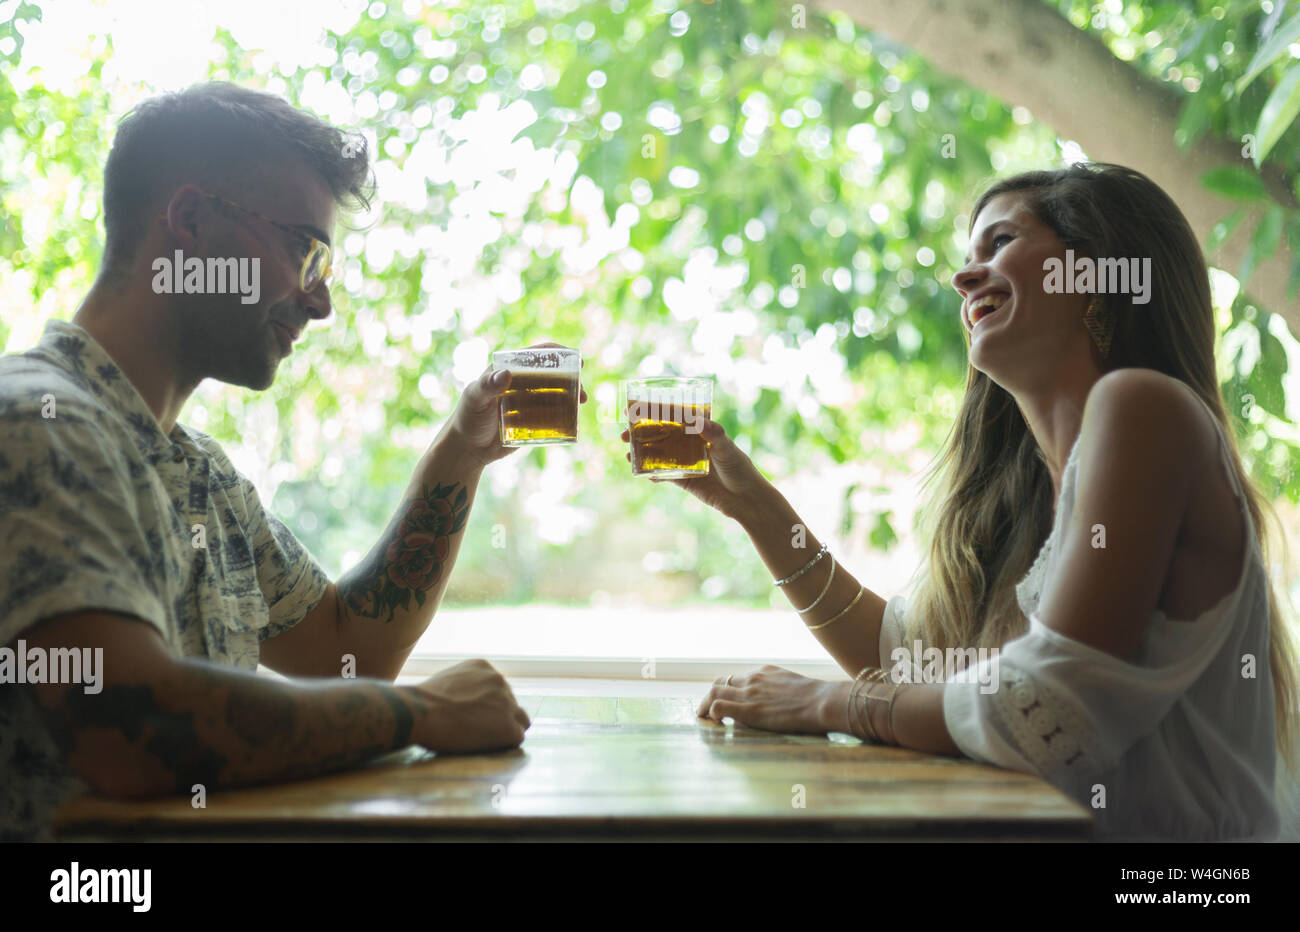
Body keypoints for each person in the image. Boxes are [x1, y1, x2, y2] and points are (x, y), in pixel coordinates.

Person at [631, 162, 1298, 841]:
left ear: (1094, 272)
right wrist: (758, 511)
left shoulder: (1144, 408)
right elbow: (908, 661)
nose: (963, 276)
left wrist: (826, 703)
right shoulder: (1050, 495)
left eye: (1002, 242)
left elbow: (1050, 710)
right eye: (968, 255)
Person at [0, 82, 578, 841]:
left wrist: (462, 453)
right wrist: (427, 714)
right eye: (305, 249)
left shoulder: (199, 473)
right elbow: (128, 722)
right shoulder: (41, 426)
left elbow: (348, 650)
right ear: (191, 222)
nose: (320, 303)